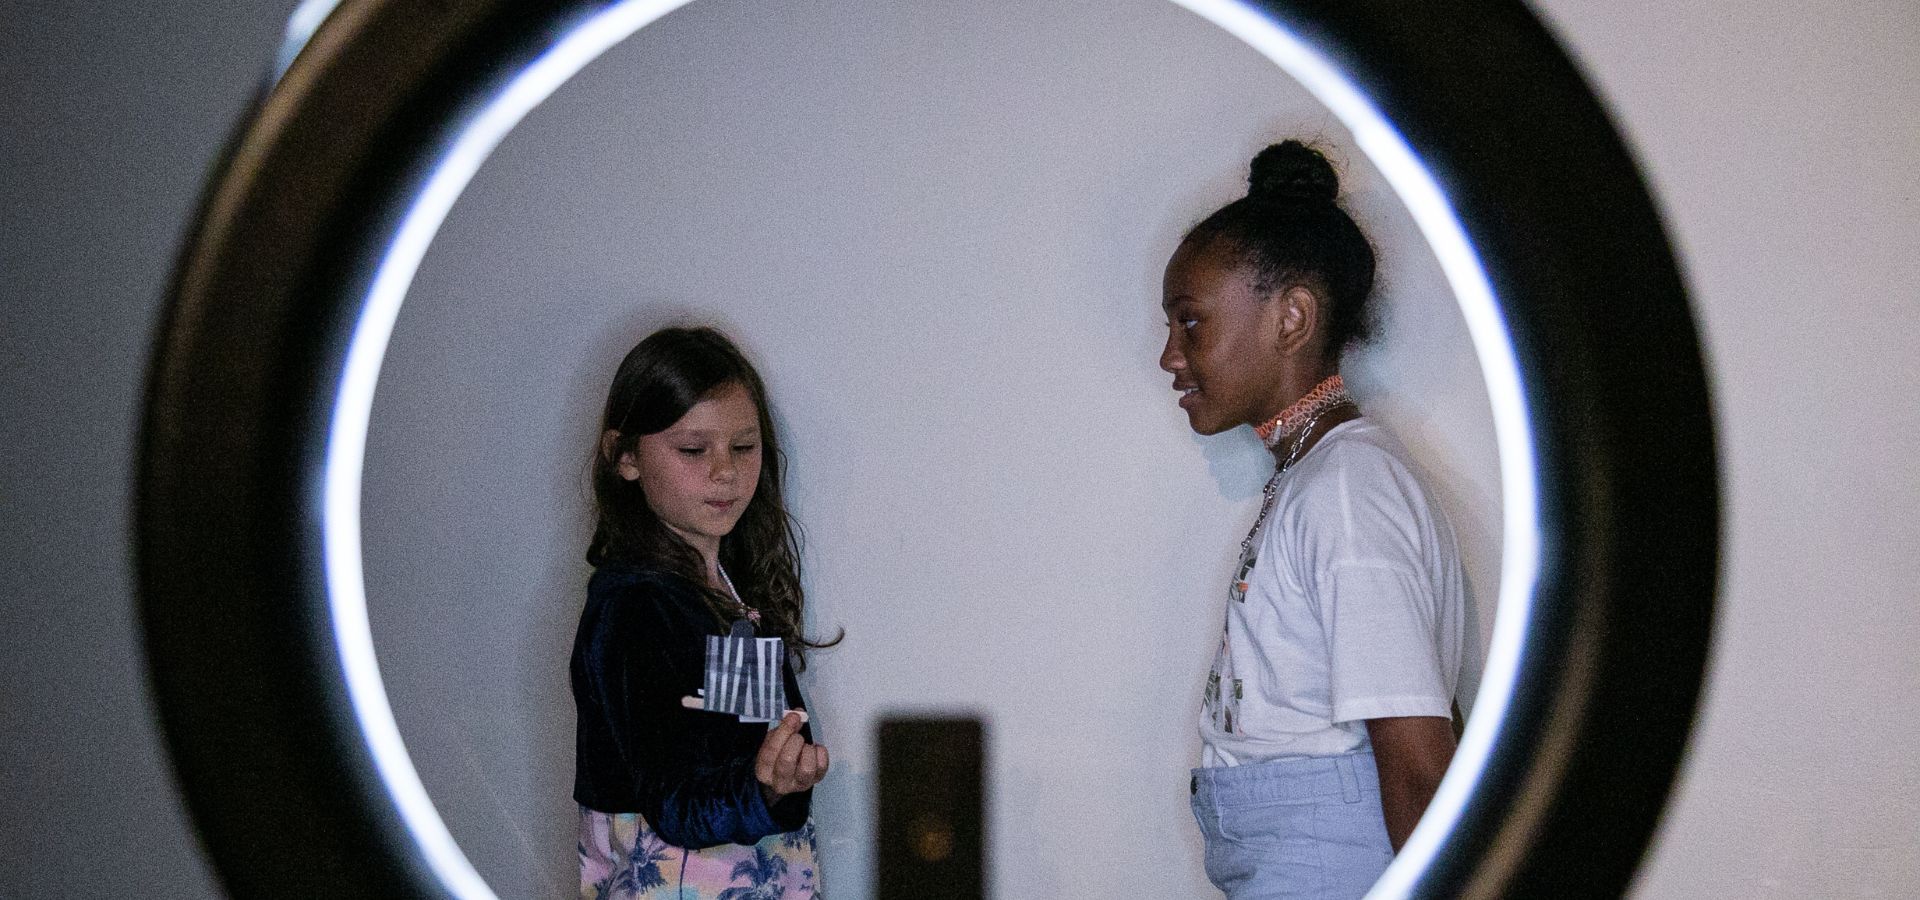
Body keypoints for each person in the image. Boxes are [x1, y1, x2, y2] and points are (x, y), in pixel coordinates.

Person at [1162, 142, 1466, 899]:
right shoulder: (1314, 478)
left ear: (1291, 317)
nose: (1169, 356)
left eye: (1190, 323)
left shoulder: (1348, 489)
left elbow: (1421, 767)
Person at [572, 326, 837, 900]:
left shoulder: (726, 594)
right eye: (694, 450)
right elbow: (675, 801)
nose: (725, 471)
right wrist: (764, 788)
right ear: (626, 458)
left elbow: (746, 741)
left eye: (743, 447)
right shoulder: (634, 607)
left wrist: (782, 777)